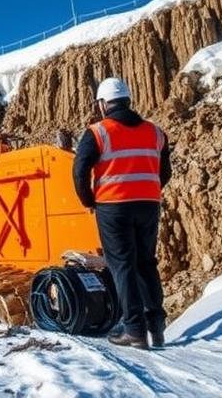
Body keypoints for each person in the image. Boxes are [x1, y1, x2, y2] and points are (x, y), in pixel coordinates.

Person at [72, 77, 171, 349]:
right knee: (146, 263)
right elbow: (165, 173)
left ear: (103, 104)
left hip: (113, 207)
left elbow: (80, 171)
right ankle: (157, 327)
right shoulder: (156, 132)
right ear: (128, 100)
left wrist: (89, 200)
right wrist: (147, 190)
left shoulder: (97, 132)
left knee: (122, 266)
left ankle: (134, 331)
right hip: (149, 205)